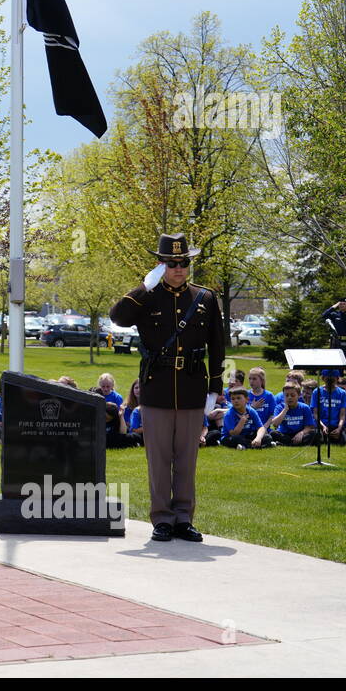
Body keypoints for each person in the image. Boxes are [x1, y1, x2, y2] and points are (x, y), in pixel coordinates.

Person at [110, 233, 225, 543]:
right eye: (172, 264)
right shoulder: (147, 298)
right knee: (159, 459)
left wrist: (214, 388)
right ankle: (162, 518)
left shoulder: (205, 298)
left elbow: (217, 346)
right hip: (157, 388)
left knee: (187, 458)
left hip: (191, 387)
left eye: (183, 263)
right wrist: (144, 287)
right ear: (161, 266)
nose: (179, 269)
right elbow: (117, 317)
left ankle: (183, 518)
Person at [265, 382, 317, 446]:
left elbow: (309, 427)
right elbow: (275, 424)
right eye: (286, 395)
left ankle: (286, 443)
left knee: (315, 433)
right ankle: (293, 443)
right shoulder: (279, 407)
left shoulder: (304, 407)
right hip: (285, 434)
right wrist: (285, 410)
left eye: (292, 395)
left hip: (299, 433)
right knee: (273, 433)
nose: (289, 397)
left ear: (298, 395)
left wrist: (301, 433)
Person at [310, 369, 346, 446]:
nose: (330, 382)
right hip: (321, 424)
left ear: (337, 379)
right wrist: (323, 426)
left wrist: (339, 428)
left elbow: (342, 415)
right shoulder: (317, 392)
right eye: (328, 379)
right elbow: (315, 413)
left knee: (343, 441)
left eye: (333, 380)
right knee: (317, 439)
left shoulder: (342, 393)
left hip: (335, 425)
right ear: (323, 378)